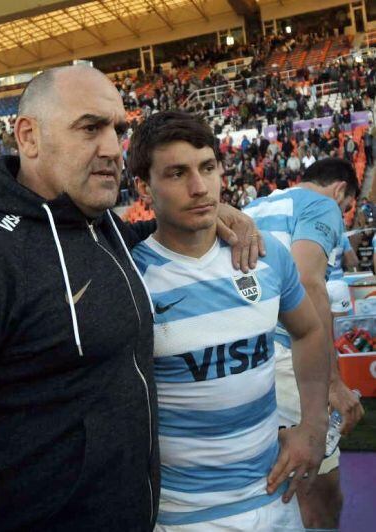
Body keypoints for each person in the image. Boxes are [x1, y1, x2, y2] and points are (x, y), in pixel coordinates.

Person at [0, 66, 260, 531]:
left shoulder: (102, 231)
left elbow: (153, 231)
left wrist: (211, 210)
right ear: (29, 136)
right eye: (89, 128)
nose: (112, 148)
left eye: (118, 129)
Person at [128, 111, 329, 531]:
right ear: (144, 187)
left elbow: (309, 331)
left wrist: (313, 426)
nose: (200, 188)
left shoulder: (266, 254)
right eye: (177, 173)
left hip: (276, 500)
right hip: (183, 517)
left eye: (207, 168)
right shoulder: (130, 277)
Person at [245, 158, 365, 529]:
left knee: (270, 481)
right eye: (347, 208)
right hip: (287, 357)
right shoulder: (323, 205)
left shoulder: (255, 206)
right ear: (341, 190)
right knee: (322, 496)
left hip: (246, 357)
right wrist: (332, 382)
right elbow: (308, 280)